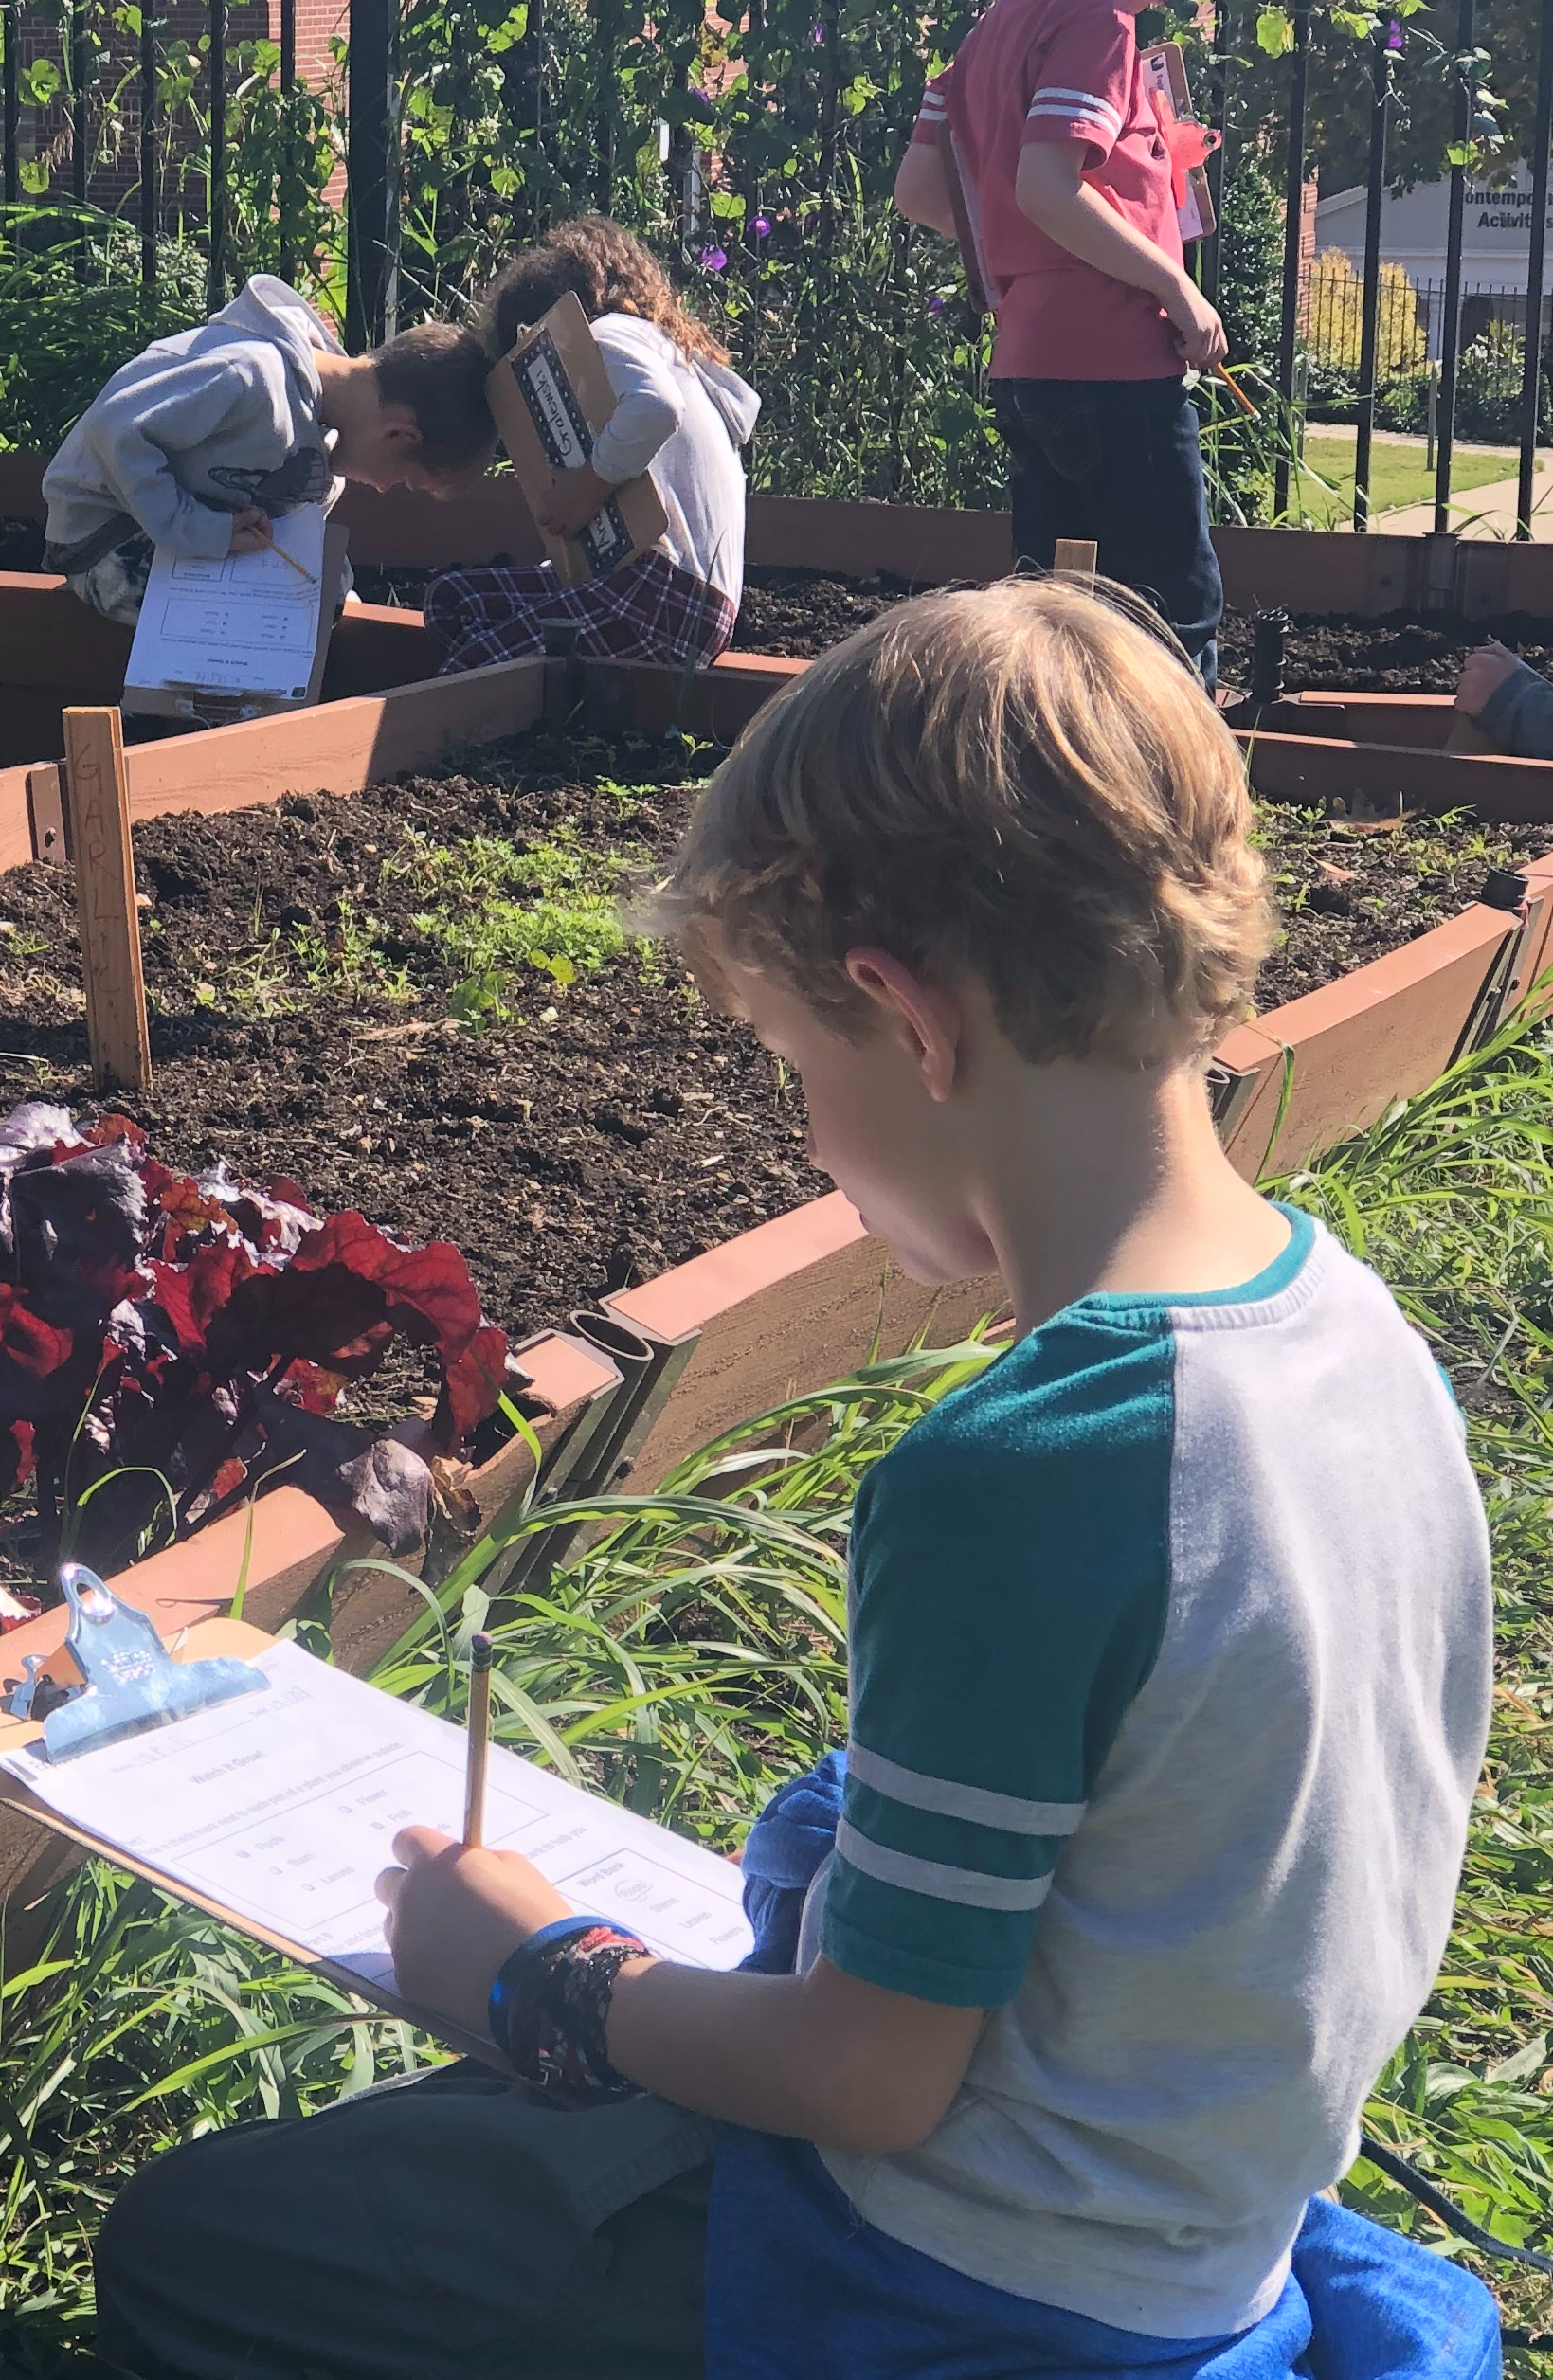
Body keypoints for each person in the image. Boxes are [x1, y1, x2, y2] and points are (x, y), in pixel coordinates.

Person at [96, 578, 1500, 2380]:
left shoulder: (1025, 1467)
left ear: (902, 1022)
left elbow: (869, 2080)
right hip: (1200, 2222)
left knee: (195, 2251)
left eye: (785, 1063)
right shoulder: (1353, 1333)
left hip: (965, 2282)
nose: (805, 1130)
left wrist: (546, 1974)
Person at [891, 0, 1259, 691]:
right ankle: (1176, 805)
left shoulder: (995, 25)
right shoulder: (1100, 20)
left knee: (1050, 613)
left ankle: (1047, 791)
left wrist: (1035, 247)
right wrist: (1176, 285)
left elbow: (922, 188)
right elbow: (1048, 188)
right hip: (1117, 369)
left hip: (1030, 364)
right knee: (1170, 608)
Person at [41, 279, 497, 628]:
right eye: (400, 480)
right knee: (258, 621)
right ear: (399, 435)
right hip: (107, 541)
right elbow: (115, 431)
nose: (382, 488)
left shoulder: (325, 432)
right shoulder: (249, 374)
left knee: (323, 593)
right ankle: (163, 716)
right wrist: (197, 530)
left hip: (178, 539)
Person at [424, 217, 759, 678]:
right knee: (454, 602)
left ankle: (525, 718)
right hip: (670, 596)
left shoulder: (607, 335)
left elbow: (657, 408)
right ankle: (556, 713)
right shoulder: (657, 350)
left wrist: (586, 486)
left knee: (467, 675)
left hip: (664, 599)